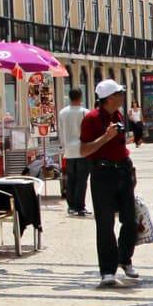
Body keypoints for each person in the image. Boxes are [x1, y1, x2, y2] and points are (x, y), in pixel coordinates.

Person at [80, 79, 138, 285]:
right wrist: (105, 137)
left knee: (130, 220)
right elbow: (84, 150)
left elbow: (121, 145)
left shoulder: (118, 114)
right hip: (102, 173)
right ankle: (107, 270)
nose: (123, 96)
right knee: (105, 223)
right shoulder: (91, 119)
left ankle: (124, 258)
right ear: (110, 98)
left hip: (123, 169)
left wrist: (131, 171)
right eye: (119, 94)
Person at [59, 88, 91, 216]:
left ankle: (71, 205)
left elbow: (61, 130)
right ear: (80, 97)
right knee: (82, 179)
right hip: (82, 150)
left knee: (71, 179)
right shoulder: (85, 112)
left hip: (68, 151)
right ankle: (80, 206)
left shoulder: (62, 113)